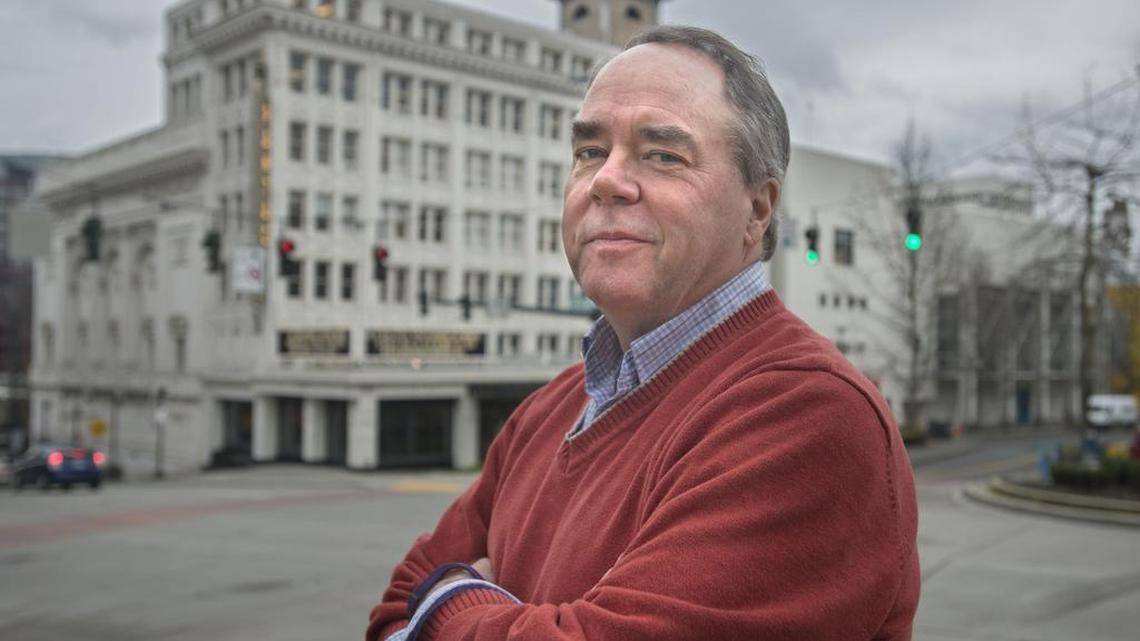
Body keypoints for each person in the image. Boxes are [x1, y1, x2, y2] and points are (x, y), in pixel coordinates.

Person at [367, 25, 920, 641]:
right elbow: (393, 608)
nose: (607, 179)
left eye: (662, 154)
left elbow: (421, 603)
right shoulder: (547, 411)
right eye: (589, 151)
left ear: (758, 209)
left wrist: (451, 601)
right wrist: (500, 618)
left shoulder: (808, 413)